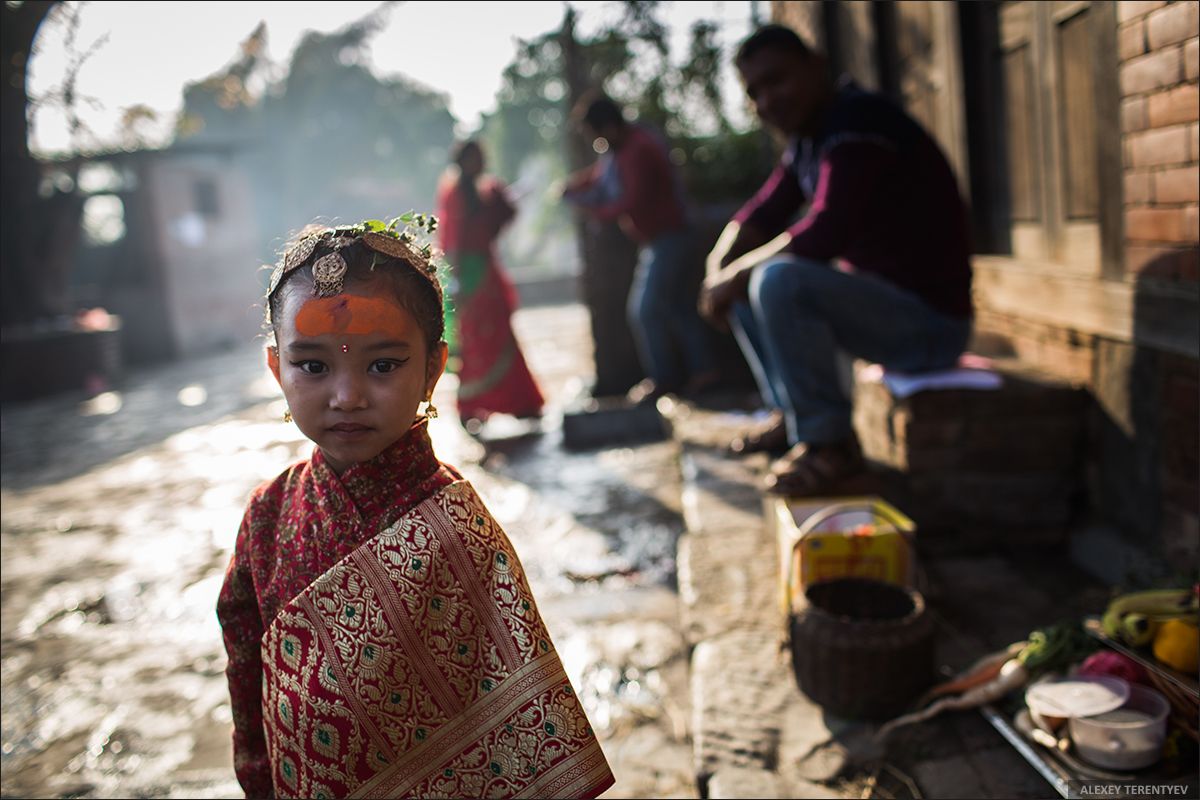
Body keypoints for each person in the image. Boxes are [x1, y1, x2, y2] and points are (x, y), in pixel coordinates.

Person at [216, 219, 614, 800]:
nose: (346, 396)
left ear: (432, 368)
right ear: (277, 370)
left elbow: (520, 738)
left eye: (382, 365)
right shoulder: (268, 516)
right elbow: (246, 675)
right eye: (314, 366)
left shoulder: (457, 529)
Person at [699, 25, 973, 496]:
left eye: (777, 81)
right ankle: (794, 417)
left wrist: (735, 274)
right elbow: (759, 214)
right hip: (882, 316)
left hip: (931, 326)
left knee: (778, 279)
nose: (767, 101)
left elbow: (827, 228)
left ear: (816, 66)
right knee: (745, 282)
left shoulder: (857, 121)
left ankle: (830, 446)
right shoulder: (808, 140)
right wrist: (716, 270)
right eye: (754, 93)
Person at [562, 90, 721, 404]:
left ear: (607, 127)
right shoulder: (620, 150)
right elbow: (596, 178)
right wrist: (572, 187)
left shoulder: (638, 149)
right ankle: (705, 372)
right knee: (677, 307)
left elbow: (629, 201)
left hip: (671, 237)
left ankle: (664, 380)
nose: (598, 144)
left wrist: (590, 211)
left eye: (596, 136)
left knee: (645, 310)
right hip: (658, 239)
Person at [436, 140, 545, 430]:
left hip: (487, 270)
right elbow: (453, 237)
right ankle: (473, 405)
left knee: (501, 336)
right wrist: (455, 278)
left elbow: (500, 219)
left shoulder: (488, 190)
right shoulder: (455, 192)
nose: (479, 162)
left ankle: (519, 402)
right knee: (473, 340)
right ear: (462, 161)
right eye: (473, 158)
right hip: (467, 274)